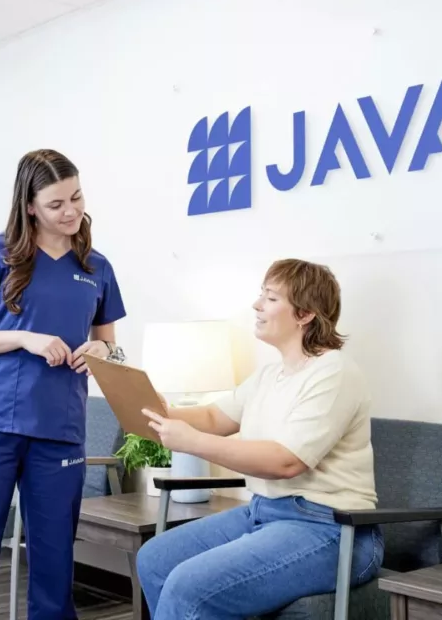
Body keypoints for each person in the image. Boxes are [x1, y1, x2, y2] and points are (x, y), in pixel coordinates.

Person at [135, 259, 383, 619]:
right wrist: (162, 411)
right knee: (155, 559)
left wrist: (191, 442)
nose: (256, 305)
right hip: (263, 513)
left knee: (189, 586)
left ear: (304, 314)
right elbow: (213, 418)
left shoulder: (335, 372)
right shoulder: (269, 375)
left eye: (270, 298)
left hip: (331, 528)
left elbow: (286, 461)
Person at [0, 149, 126, 619]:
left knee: (55, 562)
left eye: (77, 198)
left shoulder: (96, 267)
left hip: (58, 426)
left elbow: (110, 346)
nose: (71, 211)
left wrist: (102, 352)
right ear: (29, 206)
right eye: (56, 204)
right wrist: (24, 337)